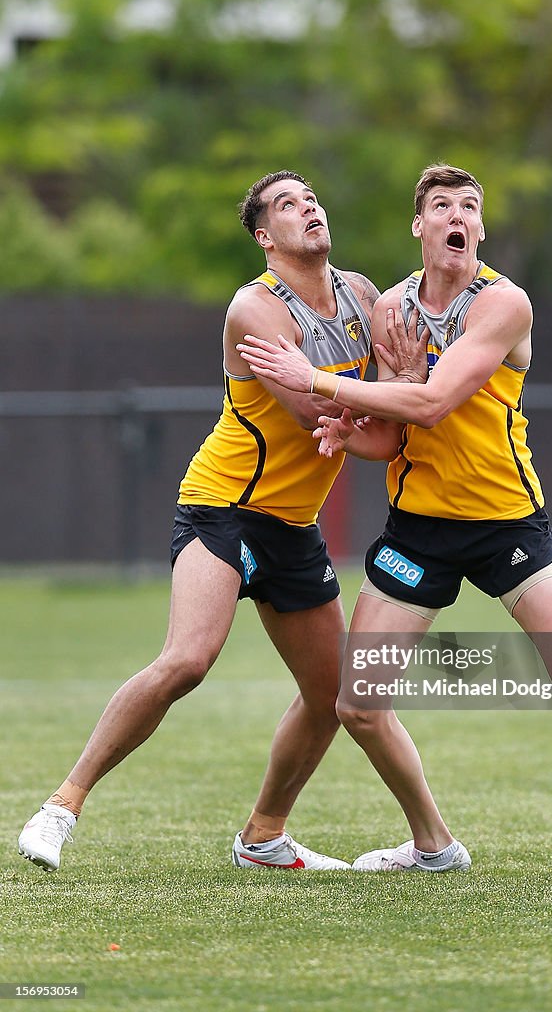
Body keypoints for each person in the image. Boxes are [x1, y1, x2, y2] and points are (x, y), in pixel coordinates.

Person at [237, 163, 552, 878]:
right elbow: (391, 439)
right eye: (442, 205)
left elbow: (435, 402)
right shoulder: (390, 311)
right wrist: (346, 430)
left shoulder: (504, 305)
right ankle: (434, 846)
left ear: (479, 226)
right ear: (420, 226)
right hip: (419, 530)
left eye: (469, 207)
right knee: (358, 705)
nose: (458, 216)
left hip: (509, 524)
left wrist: (314, 381)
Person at [19, 170, 394, 873]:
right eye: (287, 204)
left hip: (292, 524)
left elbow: (383, 396)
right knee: (188, 659)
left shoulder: (364, 295)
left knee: (333, 696)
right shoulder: (255, 310)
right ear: (263, 237)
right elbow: (321, 417)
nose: (308, 206)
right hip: (223, 507)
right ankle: (61, 806)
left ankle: (263, 838)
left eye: (312, 196)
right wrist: (392, 403)